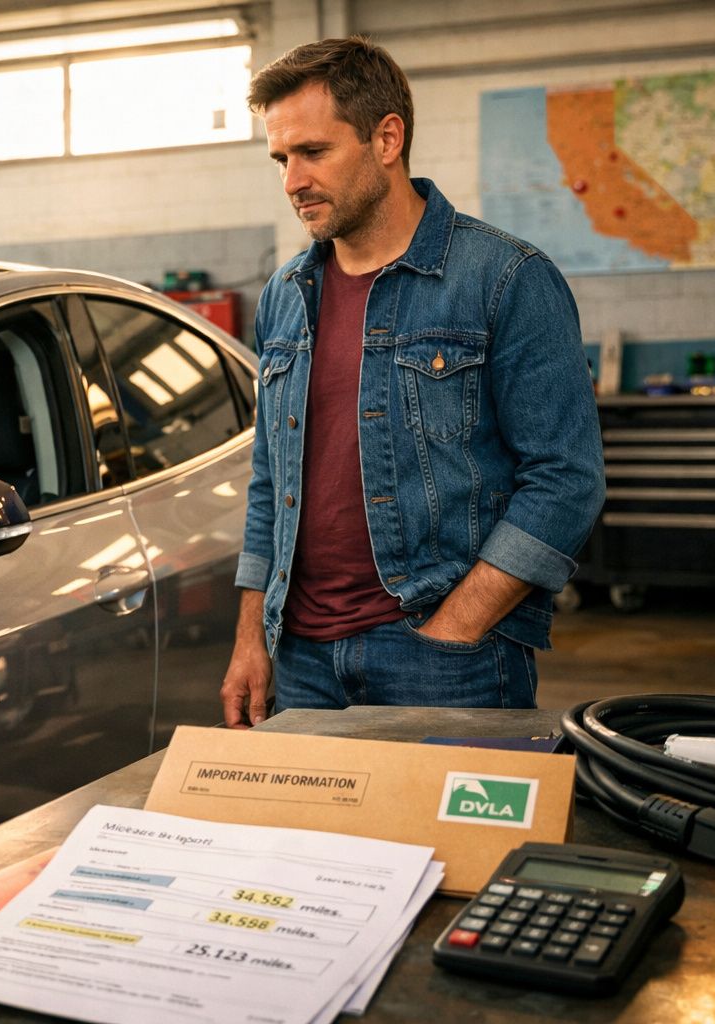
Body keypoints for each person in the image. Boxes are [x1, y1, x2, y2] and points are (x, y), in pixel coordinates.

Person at [220, 36, 604, 727]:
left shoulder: (505, 279)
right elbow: (269, 486)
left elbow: (565, 479)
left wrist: (457, 629)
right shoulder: (287, 296)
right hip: (303, 659)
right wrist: (253, 637)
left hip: (446, 658)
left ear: (387, 138)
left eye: (313, 152)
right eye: (281, 159)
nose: (292, 181)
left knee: (451, 842)